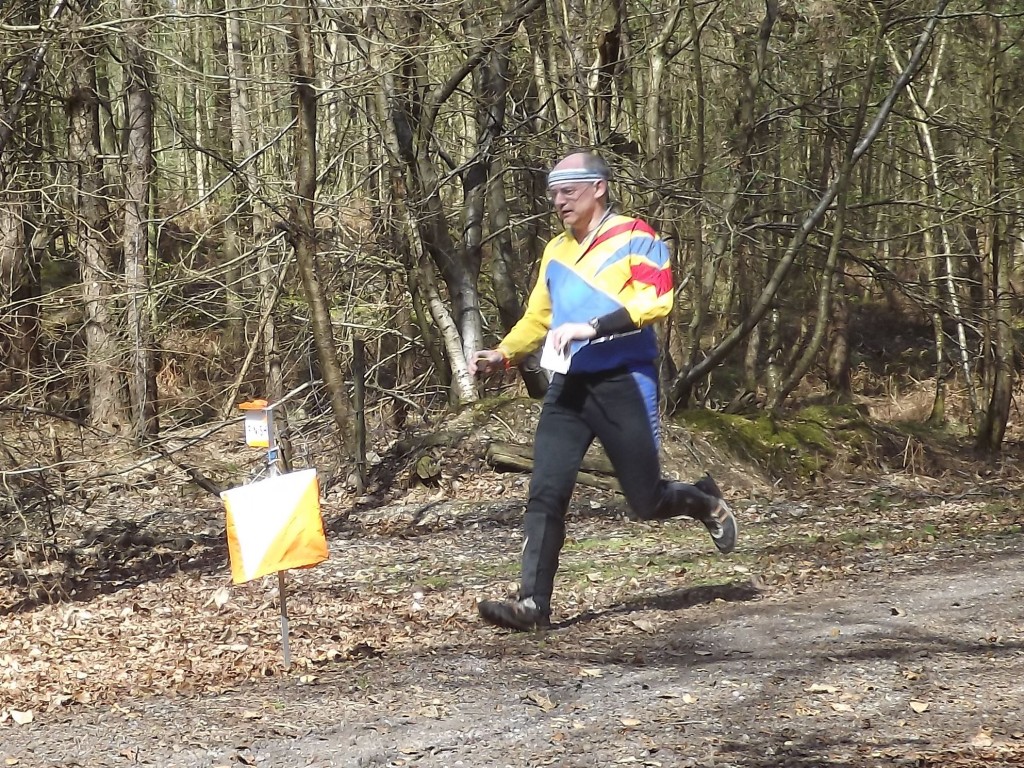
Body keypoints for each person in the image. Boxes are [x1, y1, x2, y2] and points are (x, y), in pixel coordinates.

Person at [469, 150, 737, 632]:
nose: (559, 202)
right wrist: (502, 354)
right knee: (545, 491)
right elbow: (539, 318)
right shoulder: (555, 250)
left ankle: (704, 502)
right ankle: (532, 605)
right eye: (554, 193)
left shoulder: (638, 237)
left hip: (624, 382)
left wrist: (591, 327)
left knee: (645, 500)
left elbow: (656, 301)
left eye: (569, 191)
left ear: (599, 188)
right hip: (569, 387)